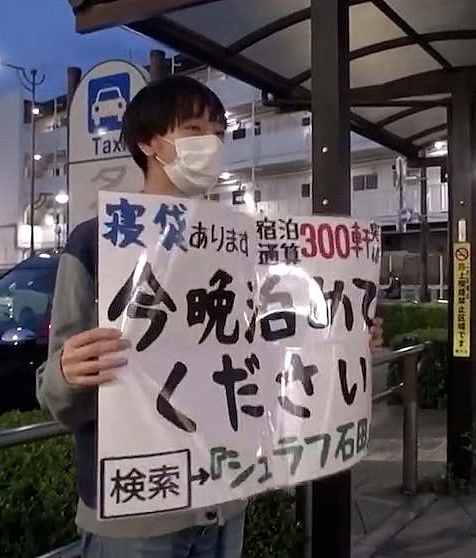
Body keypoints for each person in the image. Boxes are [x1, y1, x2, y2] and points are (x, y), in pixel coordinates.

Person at [36, 75, 384, 557]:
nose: (212, 144)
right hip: (137, 516)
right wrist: (68, 372)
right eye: (195, 130)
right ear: (148, 143)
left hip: (224, 499)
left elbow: (273, 351)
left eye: (219, 132)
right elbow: (54, 394)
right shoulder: (95, 242)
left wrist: (342, 335)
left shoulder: (241, 245)